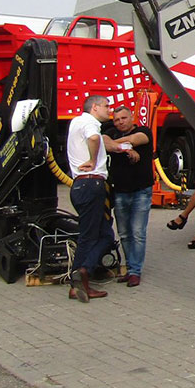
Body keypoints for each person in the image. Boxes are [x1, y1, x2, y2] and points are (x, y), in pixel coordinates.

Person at [66, 95, 120, 302]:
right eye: (106, 106)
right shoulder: (90, 123)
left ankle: (80, 280)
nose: (110, 110)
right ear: (95, 107)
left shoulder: (76, 122)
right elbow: (94, 138)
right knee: (90, 236)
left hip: (81, 186)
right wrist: (92, 159)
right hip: (91, 184)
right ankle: (82, 273)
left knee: (103, 234)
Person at [105, 106, 153, 287]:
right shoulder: (110, 132)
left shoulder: (144, 131)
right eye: (117, 120)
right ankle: (130, 266)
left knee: (138, 233)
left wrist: (117, 145)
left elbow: (134, 139)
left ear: (132, 117)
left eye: (124, 118)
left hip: (141, 191)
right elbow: (103, 141)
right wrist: (125, 149)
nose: (120, 122)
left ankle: (135, 272)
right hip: (120, 191)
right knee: (124, 233)